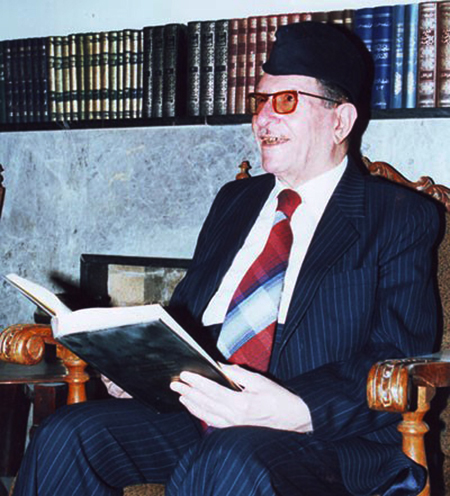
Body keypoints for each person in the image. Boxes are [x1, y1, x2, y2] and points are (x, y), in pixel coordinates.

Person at [13, 22, 441, 496]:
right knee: (68, 434)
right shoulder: (235, 201)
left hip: (323, 439)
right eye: (259, 101)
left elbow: (398, 350)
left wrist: (293, 409)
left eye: (285, 101)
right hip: (202, 413)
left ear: (340, 121)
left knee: (229, 457)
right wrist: (136, 364)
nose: (262, 120)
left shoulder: (397, 216)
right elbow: (188, 315)